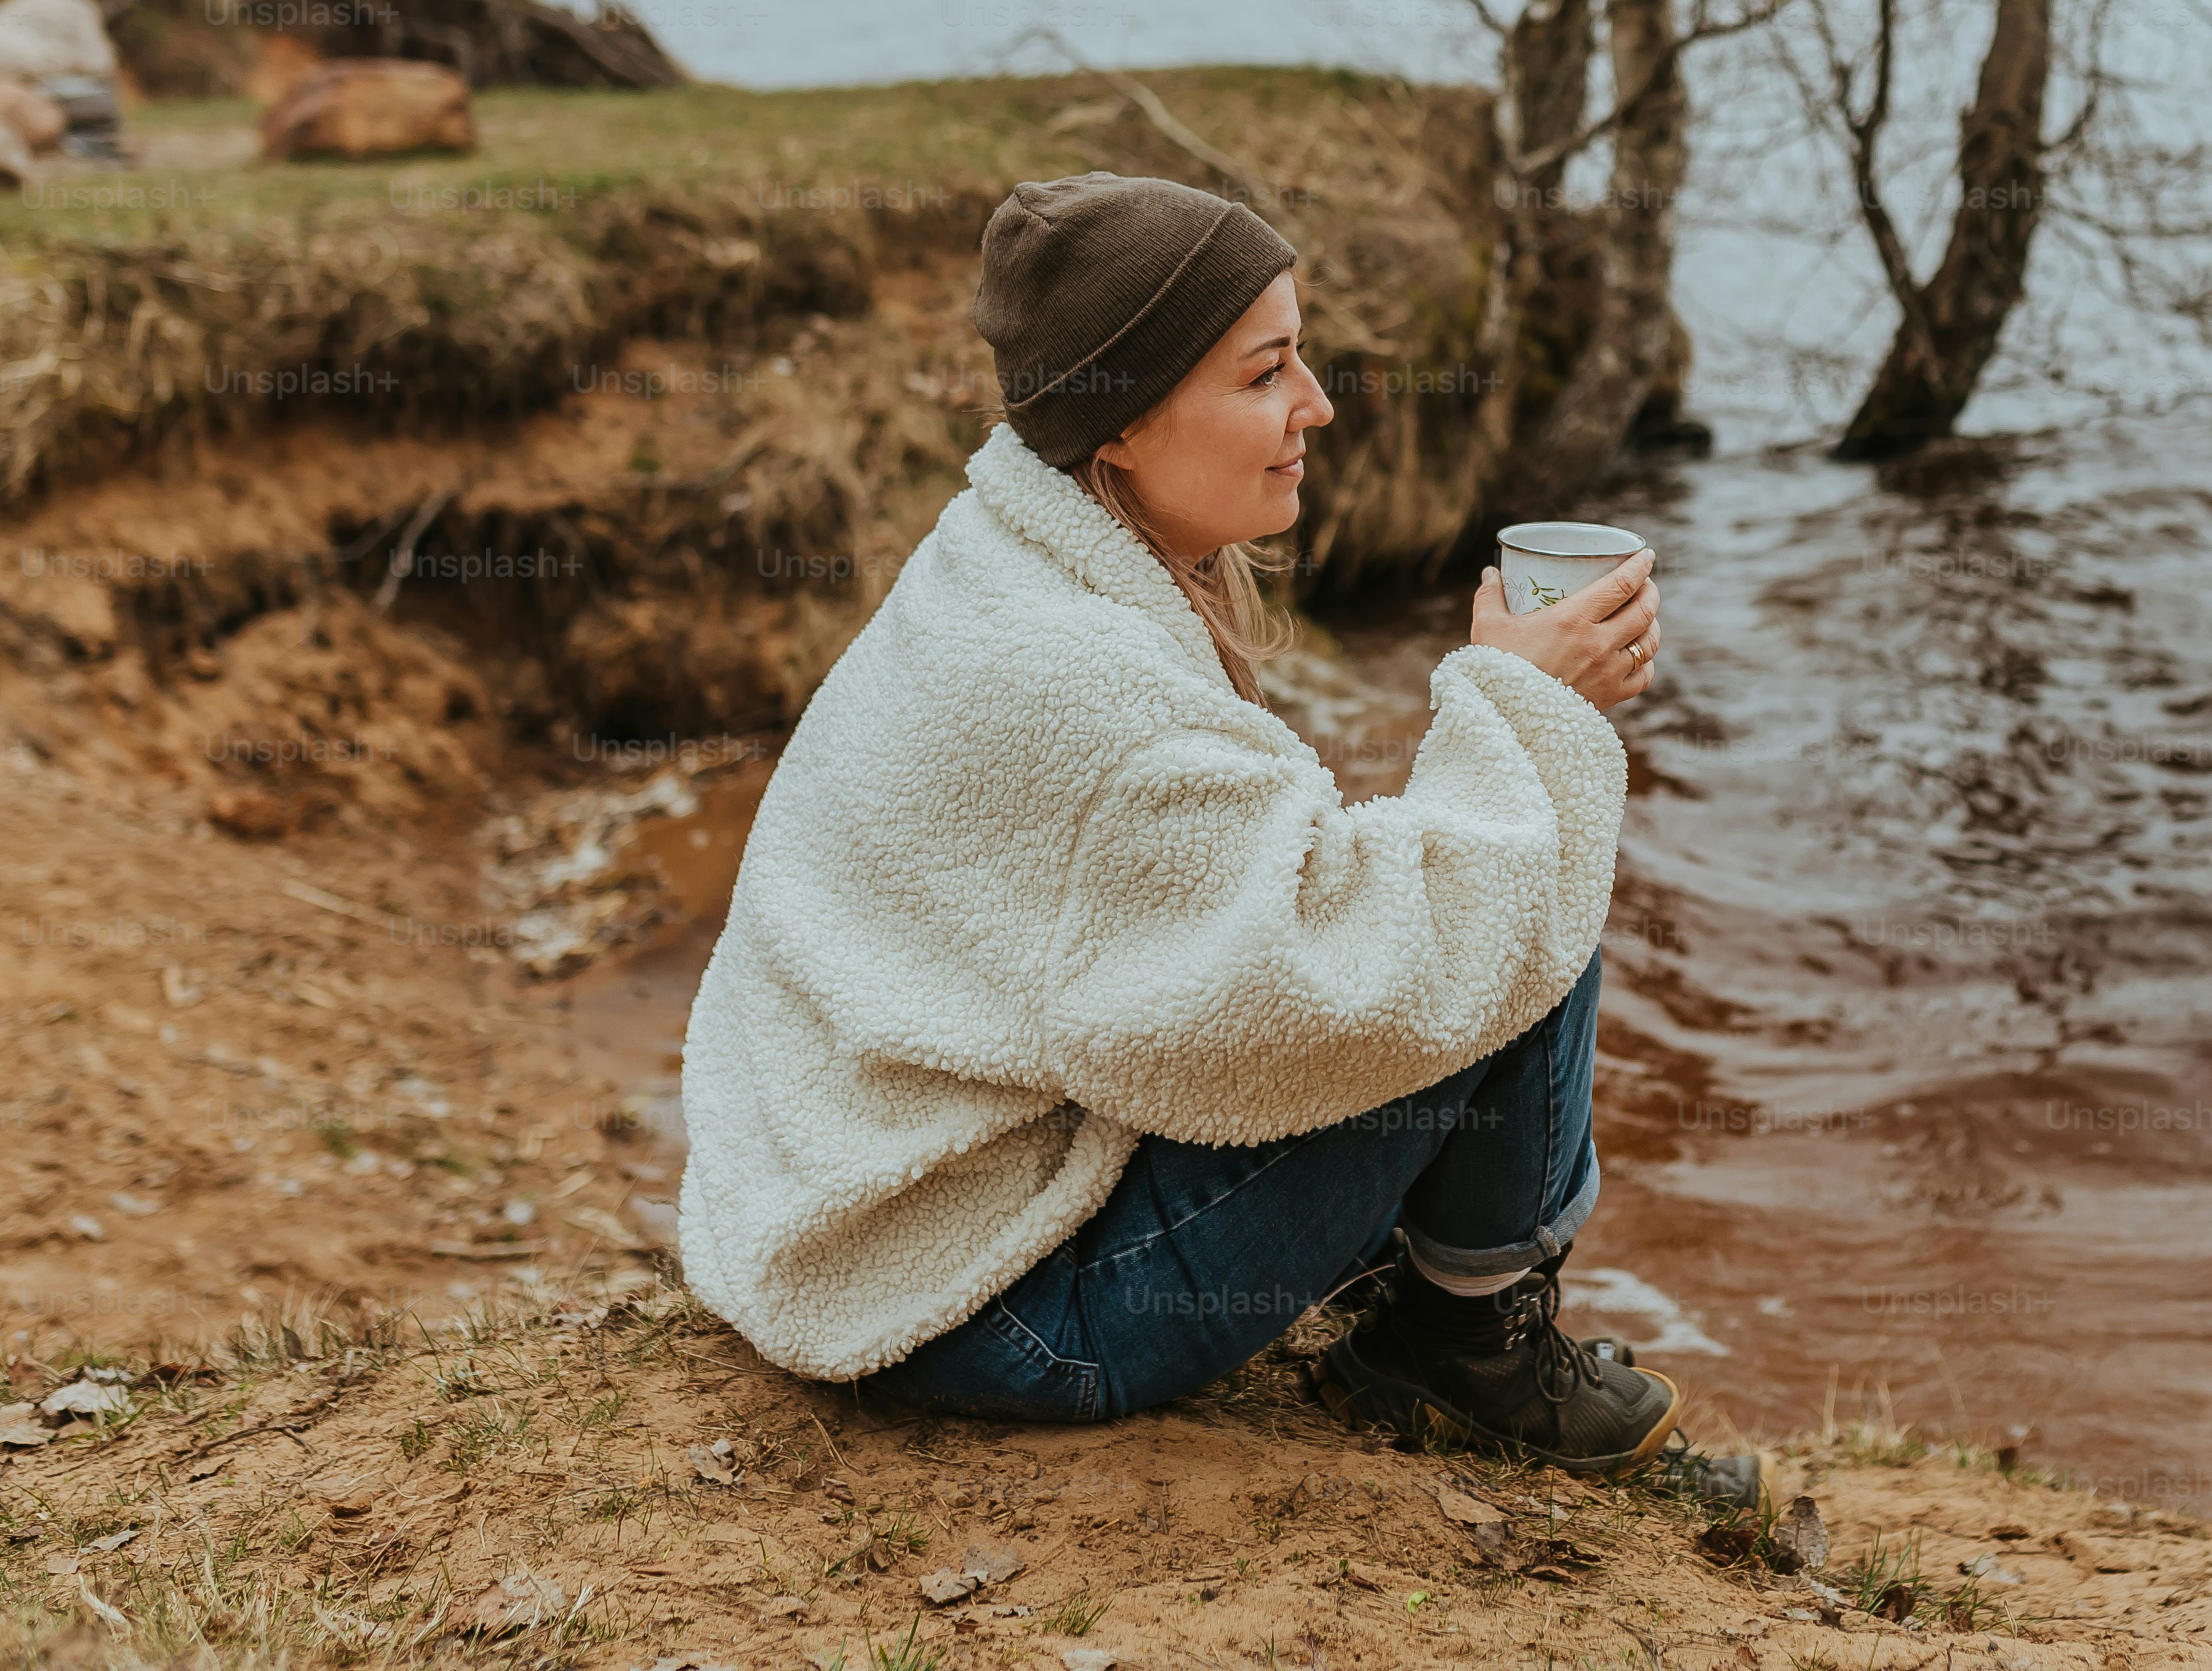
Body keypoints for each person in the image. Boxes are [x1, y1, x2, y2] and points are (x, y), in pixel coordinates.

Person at [678, 170, 1751, 1494]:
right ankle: (1466, 1349)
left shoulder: (999, 551)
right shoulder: (1089, 690)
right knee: (1516, 872)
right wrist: (1526, 709)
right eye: (1264, 373)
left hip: (824, 1230)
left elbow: (1173, 961)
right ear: (1121, 422)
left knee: (1477, 853)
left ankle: (1425, 1294)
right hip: (983, 1315)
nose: (1318, 405)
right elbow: (1370, 975)